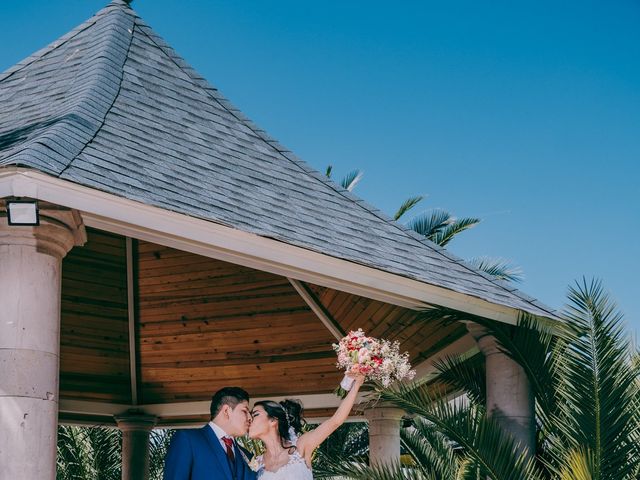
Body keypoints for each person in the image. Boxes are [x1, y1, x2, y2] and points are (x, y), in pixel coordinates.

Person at [248, 374, 365, 479]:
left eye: (255, 415)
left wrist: (357, 384)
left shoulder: (300, 447)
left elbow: (335, 421)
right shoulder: (257, 463)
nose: (249, 419)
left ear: (273, 420)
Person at [164, 386, 257, 480]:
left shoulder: (246, 454)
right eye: (245, 411)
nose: (250, 418)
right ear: (226, 411)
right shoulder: (187, 439)